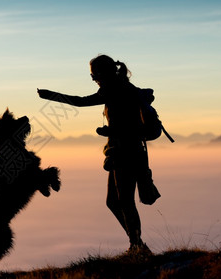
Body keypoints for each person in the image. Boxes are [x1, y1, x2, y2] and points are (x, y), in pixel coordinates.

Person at [37, 54, 152, 254]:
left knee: (123, 201)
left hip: (126, 152)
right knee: (115, 202)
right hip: (126, 151)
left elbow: (81, 102)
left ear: (103, 72)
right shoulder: (124, 88)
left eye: (94, 74)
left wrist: (51, 96)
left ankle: (137, 246)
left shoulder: (115, 89)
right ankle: (137, 243)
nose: (93, 79)